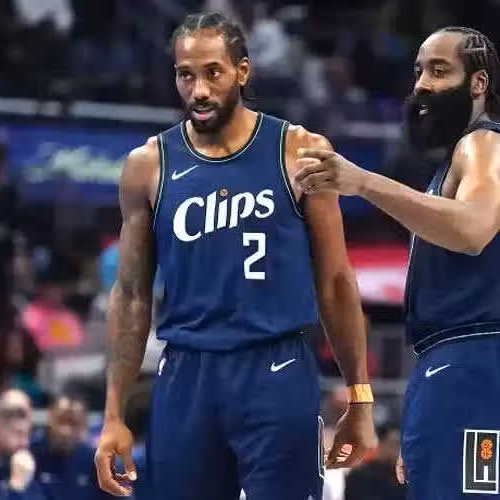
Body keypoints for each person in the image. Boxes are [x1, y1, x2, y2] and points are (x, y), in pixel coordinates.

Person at [93, 12, 377, 500]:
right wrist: (114, 412)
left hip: (277, 367)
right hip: (187, 372)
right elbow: (132, 293)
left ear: (242, 71)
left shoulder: (300, 151)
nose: (199, 90)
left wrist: (360, 396)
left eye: (213, 73)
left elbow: (335, 281)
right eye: (186, 75)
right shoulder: (147, 165)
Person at [295, 27, 500, 499]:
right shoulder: (456, 160)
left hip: (479, 358)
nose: (422, 84)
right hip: (452, 360)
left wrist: (363, 182)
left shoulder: (485, 145)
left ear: (478, 83)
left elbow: (472, 229)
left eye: (439, 70)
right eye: (418, 71)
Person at [30, 392, 111, 500]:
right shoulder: (30, 453)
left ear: (84, 425)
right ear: (50, 418)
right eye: (61, 421)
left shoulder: (97, 462)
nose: (66, 431)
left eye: (74, 423)